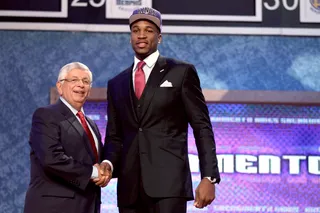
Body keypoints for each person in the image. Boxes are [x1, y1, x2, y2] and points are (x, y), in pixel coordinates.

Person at [102, 7, 220, 213]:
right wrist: (108, 163)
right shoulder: (116, 83)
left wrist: (209, 177)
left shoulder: (181, 72)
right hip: (129, 190)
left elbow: (202, 127)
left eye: (148, 30)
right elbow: (114, 136)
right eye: (136, 30)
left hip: (169, 186)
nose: (141, 35)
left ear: (159, 37)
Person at [24, 62, 110, 213]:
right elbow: (51, 159)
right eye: (74, 80)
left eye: (85, 81)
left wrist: (107, 166)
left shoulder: (92, 125)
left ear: (90, 89)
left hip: (88, 206)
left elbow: (98, 159)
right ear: (60, 86)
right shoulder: (46, 115)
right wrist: (95, 173)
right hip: (54, 208)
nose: (81, 85)